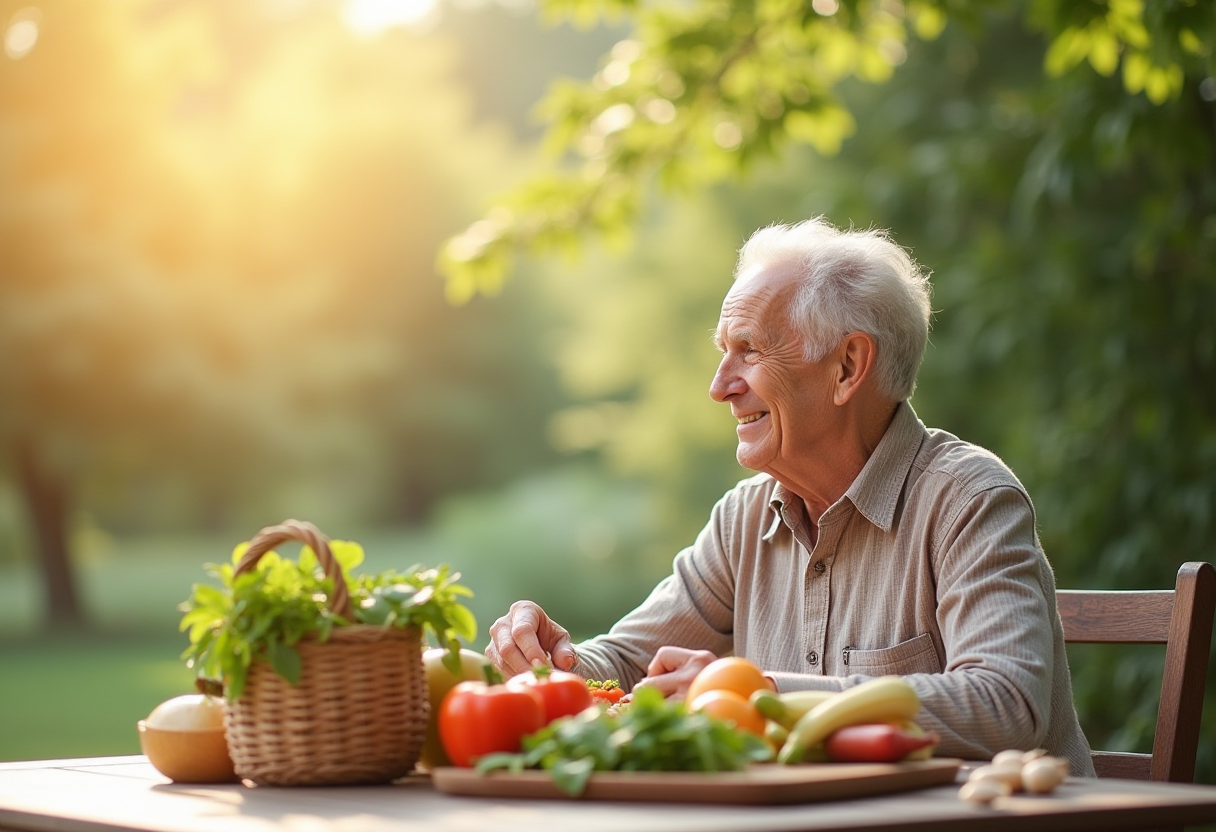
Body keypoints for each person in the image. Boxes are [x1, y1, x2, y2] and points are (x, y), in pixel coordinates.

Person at [486, 217, 1095, 774]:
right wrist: (553, 663)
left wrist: (761, 693)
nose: (719, 385)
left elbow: (1007, 705)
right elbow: (626, 664)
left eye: (749, 350)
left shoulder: (968, 500)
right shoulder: (744, 519)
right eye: (723, 352)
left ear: (847, 367)